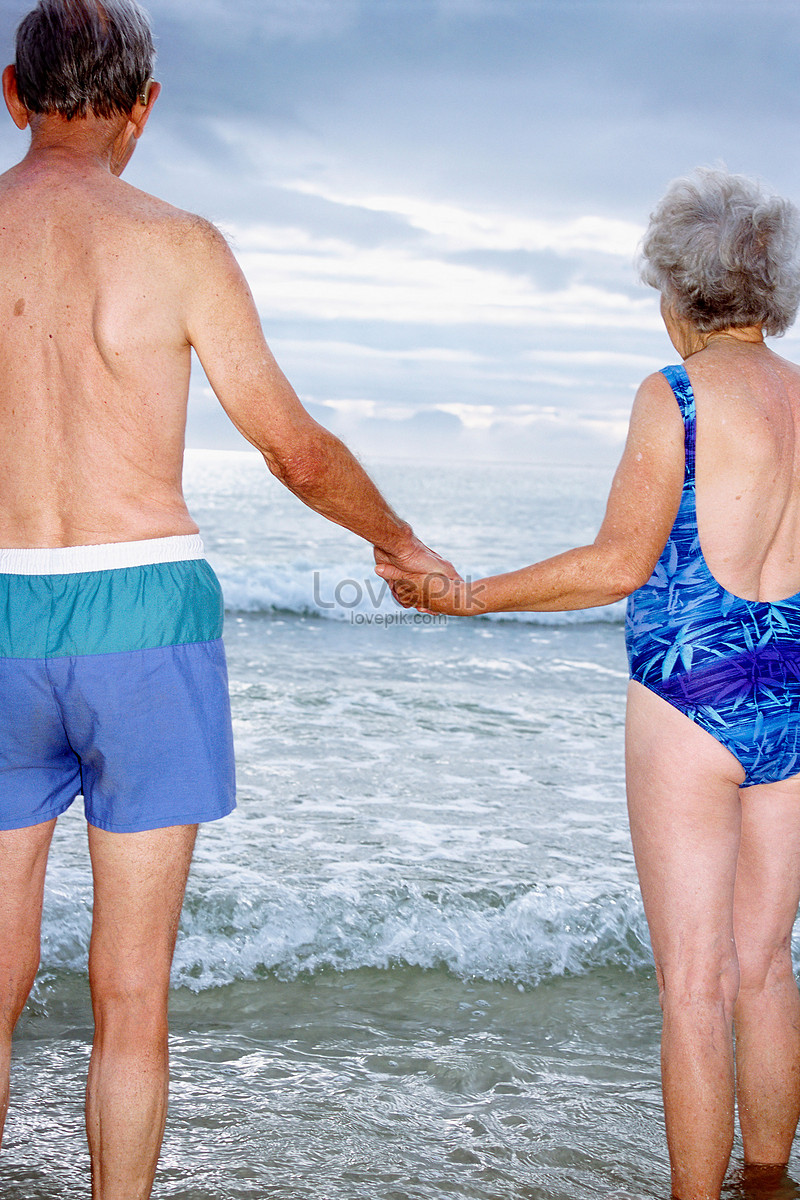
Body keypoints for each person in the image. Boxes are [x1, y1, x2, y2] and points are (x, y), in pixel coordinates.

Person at [0, 2, 453, 1197]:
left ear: (11, 94)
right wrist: (397, 542)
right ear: (142, 109)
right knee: (130, 989)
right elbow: (293, 450)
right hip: (143, 617)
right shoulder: (179, 244)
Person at [378, 167, 800, 1200]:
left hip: (685, 700)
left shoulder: (673, 397)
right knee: (765, 969)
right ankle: (766, 1182)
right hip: (790, 698)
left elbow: (616, 564)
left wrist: (466, 595)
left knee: (693, 990)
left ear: (673, 295)